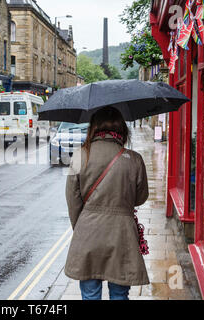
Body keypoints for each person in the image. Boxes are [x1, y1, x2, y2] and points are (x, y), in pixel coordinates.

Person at [64, 106, 149, 300]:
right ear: (122, 129)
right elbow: (141, 198)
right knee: (119, 294)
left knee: (90, 294)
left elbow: (72, 199)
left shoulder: (80, 155)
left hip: (88, 232)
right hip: (122, 235)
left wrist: (82, 226)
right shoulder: (134, 159)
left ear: (93, 128)